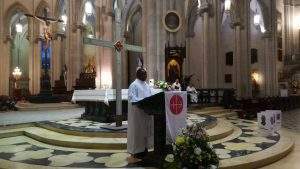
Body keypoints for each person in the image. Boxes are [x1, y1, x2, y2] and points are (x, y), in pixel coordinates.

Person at [127, 68, 154, 159]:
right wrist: (143, 102)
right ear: (138, 75)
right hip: (137, 114)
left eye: (146, 74)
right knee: (138, 131)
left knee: (146, 131)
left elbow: (151, 96)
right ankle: (136, 151)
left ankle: (145, 148)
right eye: (143, 74)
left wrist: (149, 103)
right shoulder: (134, 85)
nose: (145, 76)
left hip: (146, 112)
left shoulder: (146, 85)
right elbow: (132, 98)